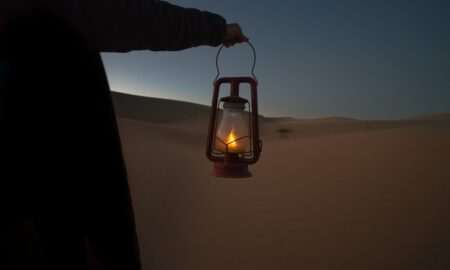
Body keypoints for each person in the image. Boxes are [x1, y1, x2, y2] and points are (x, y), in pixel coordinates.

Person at [0, 1, 248, 269]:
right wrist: (218, 29)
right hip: (66, 197)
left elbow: (143, 19)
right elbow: (139, 18)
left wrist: (215, 29)